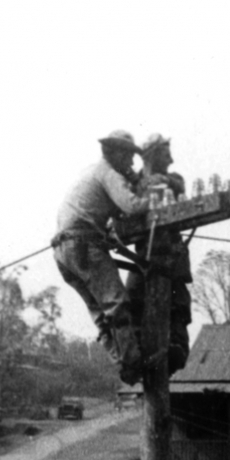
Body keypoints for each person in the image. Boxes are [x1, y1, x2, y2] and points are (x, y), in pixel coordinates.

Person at [52, 129, 149, 385]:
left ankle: (123, 363)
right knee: (116, 304)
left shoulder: (90, 172)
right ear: (116, 153)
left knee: (99, 311)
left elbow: (108, 214)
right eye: (128, 157)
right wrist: (152, 194)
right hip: (83, 244)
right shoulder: (109, 173)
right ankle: (132, 362)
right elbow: (132, 206)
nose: (130, 163)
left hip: (63, 251)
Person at [125, 133, 191, 375]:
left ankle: (176, 349)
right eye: (165, 153)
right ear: (152, 155)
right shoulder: (134, 182)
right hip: (144, 256)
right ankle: (140, 354)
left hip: (171, 254)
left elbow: (178, 185)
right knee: (131, 299)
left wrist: (155, 182)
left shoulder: (172, 179)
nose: (171, 159)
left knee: (178, 305)